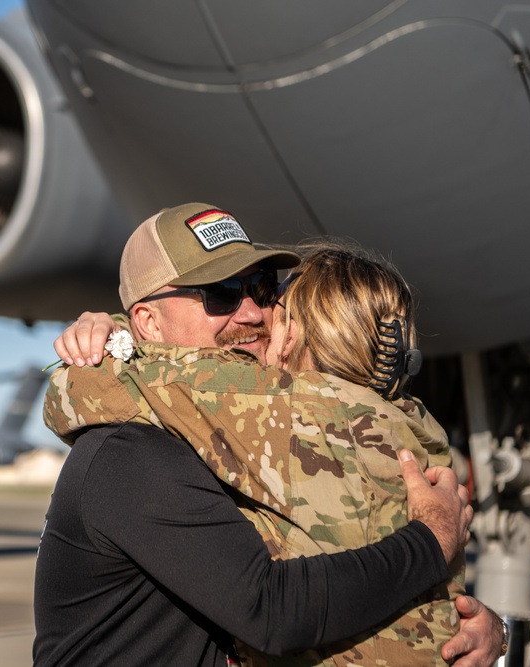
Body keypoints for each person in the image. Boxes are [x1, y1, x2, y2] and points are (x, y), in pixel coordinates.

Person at [32, 204, 499, 666]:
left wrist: (471, 627)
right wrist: (429, 543)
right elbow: (271, 610)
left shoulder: (240, 441)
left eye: (260, 288)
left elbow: (345, 571)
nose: (253, 312)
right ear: (149, 322)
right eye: (221, 293)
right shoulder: (131, 451)